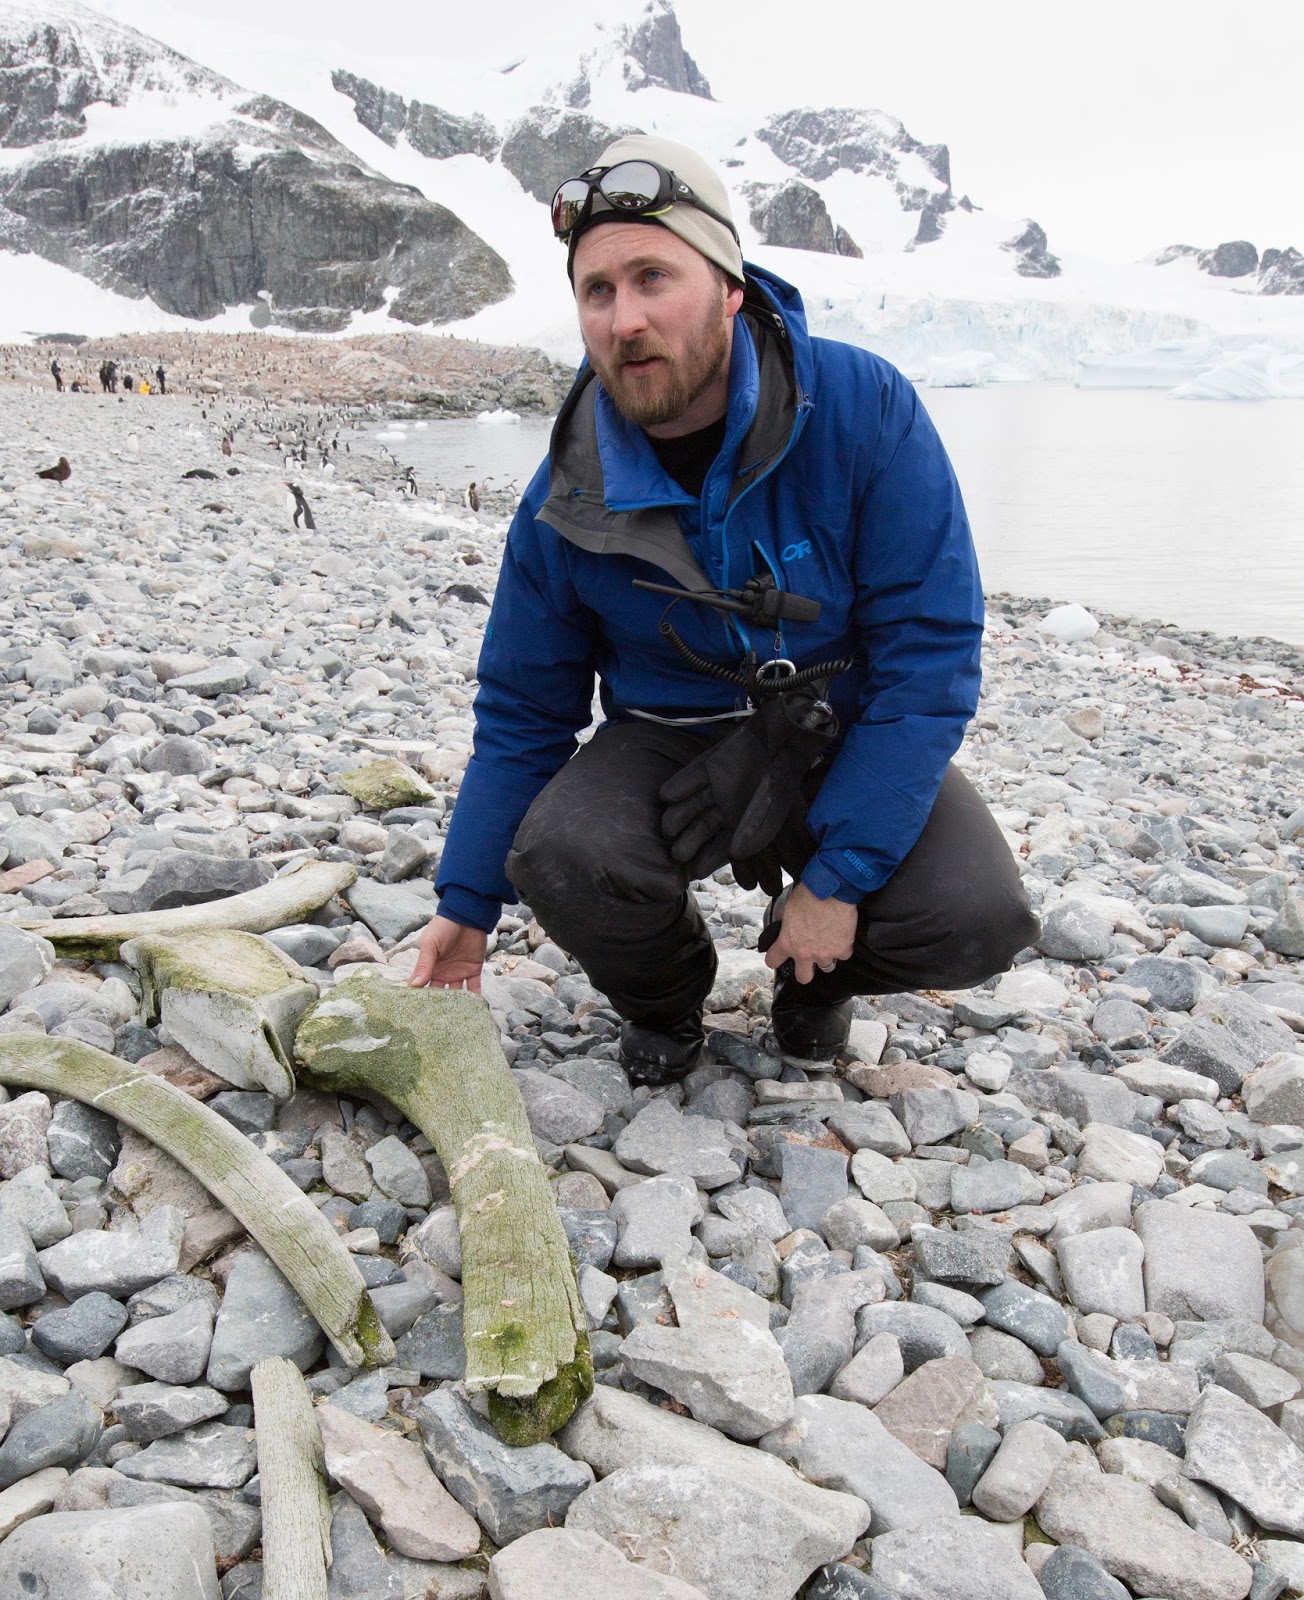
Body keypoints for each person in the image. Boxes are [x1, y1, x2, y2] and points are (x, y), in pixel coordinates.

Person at [410, 134, 1037, 1085]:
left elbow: (929, 656)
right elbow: (523, 714)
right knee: (564, 853)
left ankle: (813, 977)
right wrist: (467, 901)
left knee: (973, 914)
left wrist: (836, 880)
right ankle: (667, 999)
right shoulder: (566, 492)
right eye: (598, 291)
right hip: (668, 741)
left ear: (731, 285)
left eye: (653, 276)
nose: (625, 319)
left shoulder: (864, 407)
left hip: (838, 731)